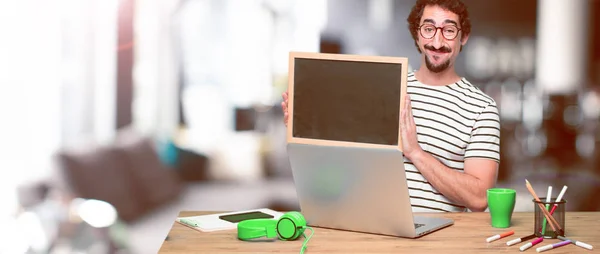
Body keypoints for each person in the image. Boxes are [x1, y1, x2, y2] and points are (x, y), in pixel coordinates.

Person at [281, 0, 500, 213]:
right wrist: (302, 131)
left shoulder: (482, 108)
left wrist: (415, 152)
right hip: (370, 225)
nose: (437, 40)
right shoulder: (384, 88)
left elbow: (479, 198)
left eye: (449, 30)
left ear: (464, 36)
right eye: (428, 28)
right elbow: (341, 167)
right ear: (417, 33)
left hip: (438, 241)